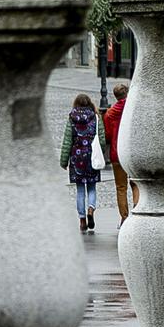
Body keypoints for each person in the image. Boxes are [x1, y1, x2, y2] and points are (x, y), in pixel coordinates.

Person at [60, 93, 108, 234]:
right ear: (89, 104)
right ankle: (91, 210)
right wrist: (101, 153)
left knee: (80, 190)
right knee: (92, 187)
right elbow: (102, 139)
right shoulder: (96, 118)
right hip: (91, 157)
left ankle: (82, 220)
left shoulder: (72, 119)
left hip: (76, 159)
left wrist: (64, 161)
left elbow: (67, 141)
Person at [102, 83, 139, 227]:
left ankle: (124, 218)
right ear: (127, 94)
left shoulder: (110, 113)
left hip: (116, 154)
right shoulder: (133, 110)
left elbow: (108, 135)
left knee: (121, 187)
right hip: (133, 152)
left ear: (116, 96)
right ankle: (137, 207)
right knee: (136, 182)